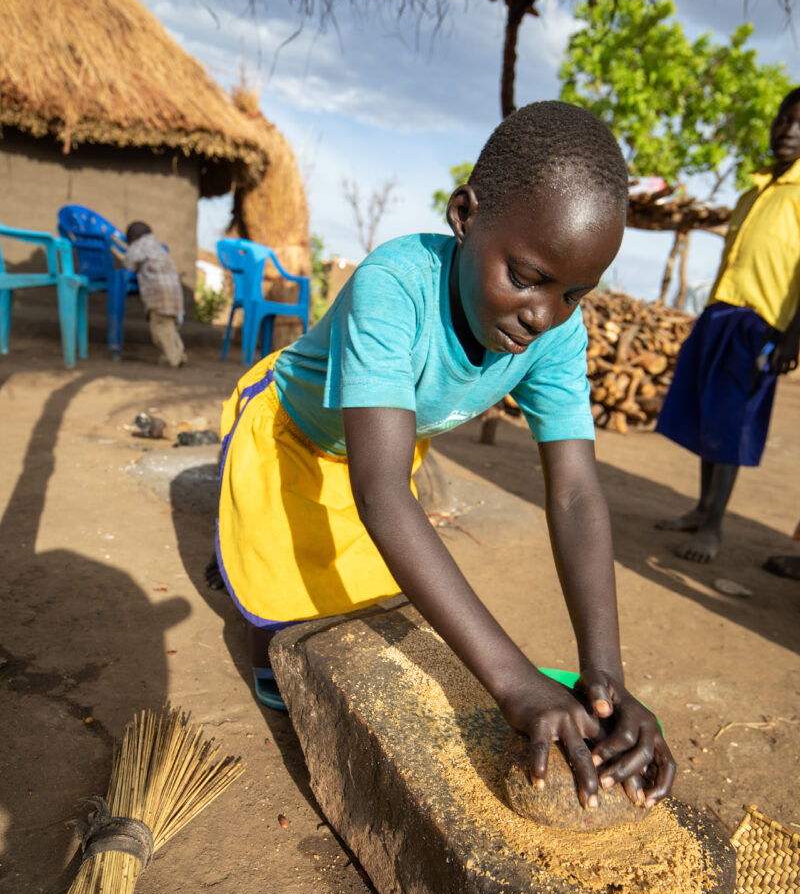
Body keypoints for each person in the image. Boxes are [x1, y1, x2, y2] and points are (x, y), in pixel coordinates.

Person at [215, 101, 675, 811]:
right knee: (281, 622)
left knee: (369, 602)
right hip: (297, 436)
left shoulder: (555, 332)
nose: (542, 314)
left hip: (379, 452)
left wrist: (605, 681)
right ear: (465, 215)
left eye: (574, 294)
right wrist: (515, 682)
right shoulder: (393, 288)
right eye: (525, 275)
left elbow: (578, 494)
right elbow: (384, 495)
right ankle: (245, 585)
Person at [655, 88, 800, 562]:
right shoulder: (753, 190)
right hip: (720, 314)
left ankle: (714, 526)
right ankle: (701, 508)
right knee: (707, 415)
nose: (787, 130)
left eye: (799, 124)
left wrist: (792, 337)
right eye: (783, 119)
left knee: (733, 424)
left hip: (759, 326)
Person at [124, 221, 187, 368]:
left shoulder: (138, 247)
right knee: (169, 327)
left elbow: (129, 265)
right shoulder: (158, 248)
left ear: (132, 238)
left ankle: (172, 359)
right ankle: (179, 354)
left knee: (159, 329)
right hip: (175, 294)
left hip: (159, 295)